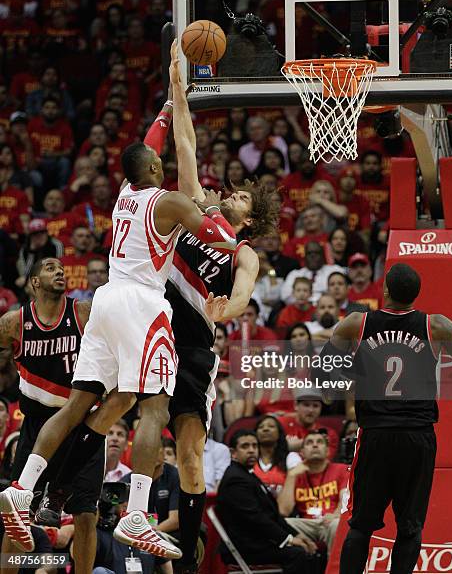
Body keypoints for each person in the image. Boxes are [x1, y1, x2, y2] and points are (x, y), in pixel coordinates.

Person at [0, 43, 240, 559]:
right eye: (159, 160)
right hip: (141, 305)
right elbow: (215, 234)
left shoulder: (125, 195)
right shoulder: (170, 200)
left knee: (82, 401)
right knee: (153, 406)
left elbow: (150, 142)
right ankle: (136, 515)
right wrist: (230, 230)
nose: (161, 159)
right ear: (154, 170)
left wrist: (171, 99)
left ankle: (22, 490)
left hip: (104, 298)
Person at [162, 42, 278, 573]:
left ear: (251, 221)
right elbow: (184, 146)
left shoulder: (244, 250)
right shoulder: (195, 211)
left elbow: (241, 295)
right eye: (232, 192)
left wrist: (222, 312)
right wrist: (177, 90)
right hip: (152, 327)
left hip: (193, 345)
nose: (231, 194)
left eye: (242, 198)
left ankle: (188, 548)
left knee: (189, 450)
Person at [318, 262, 452, 574]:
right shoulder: (437, 326)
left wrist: (346, 380)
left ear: (386, 290)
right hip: (417, 436)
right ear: (417, 295)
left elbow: (324, 372)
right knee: (410, 526)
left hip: (375, 434)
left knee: (361, 524)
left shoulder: (356, 323)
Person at [0, 257, 104, 574]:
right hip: (36, 428)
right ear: (33, 282)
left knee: (86, 514)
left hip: (81, 428)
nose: (59, 271)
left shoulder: (83, 313)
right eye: (49, 268)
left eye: (61, 268)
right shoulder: (14, 322)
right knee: (18, 515)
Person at [216, 430, 316, 573]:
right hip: (246, 547)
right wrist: (288, 539)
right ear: (233, 453)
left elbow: (272, 514)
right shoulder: (235, 480)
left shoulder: (247, 475)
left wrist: (297, 535)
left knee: (308, 550)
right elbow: (256, 518)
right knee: (298, 554)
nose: (251, 450)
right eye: (245, 446)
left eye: (254, 446)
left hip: (256, 542)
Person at [277, 430, 348, 555]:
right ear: (302, 453)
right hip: (307, 524)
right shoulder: (296, 474)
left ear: (327, 451)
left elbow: (345, 500)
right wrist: (292, 475)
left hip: (331, 520)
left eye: (319, 442)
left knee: (338, 524)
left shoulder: (341, 469)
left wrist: (336, 515)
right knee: (280, 524)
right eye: (309, 442)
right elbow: (283, 511)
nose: (315, 445)